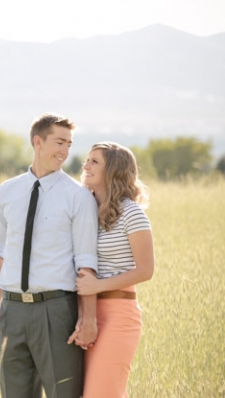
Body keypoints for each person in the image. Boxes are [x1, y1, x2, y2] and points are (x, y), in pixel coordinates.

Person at [0, 113, 99, 398]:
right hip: (11, 312)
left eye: (69, 144)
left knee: (63, 393)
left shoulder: (78, 196)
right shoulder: (6, 192)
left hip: (56, 311)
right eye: (59, 142)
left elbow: (86, 261)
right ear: (38, 142)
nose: (65, 151)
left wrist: (88, 318)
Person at [76, 142, 155, 398]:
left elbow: (145, 270)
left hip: (118, 316)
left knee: (102, 394)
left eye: (94, 161)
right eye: (87, 160)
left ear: (114, 170)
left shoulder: (132, 213)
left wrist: (98, 286)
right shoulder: (84, 210)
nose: (85, 165)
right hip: (81, 313)